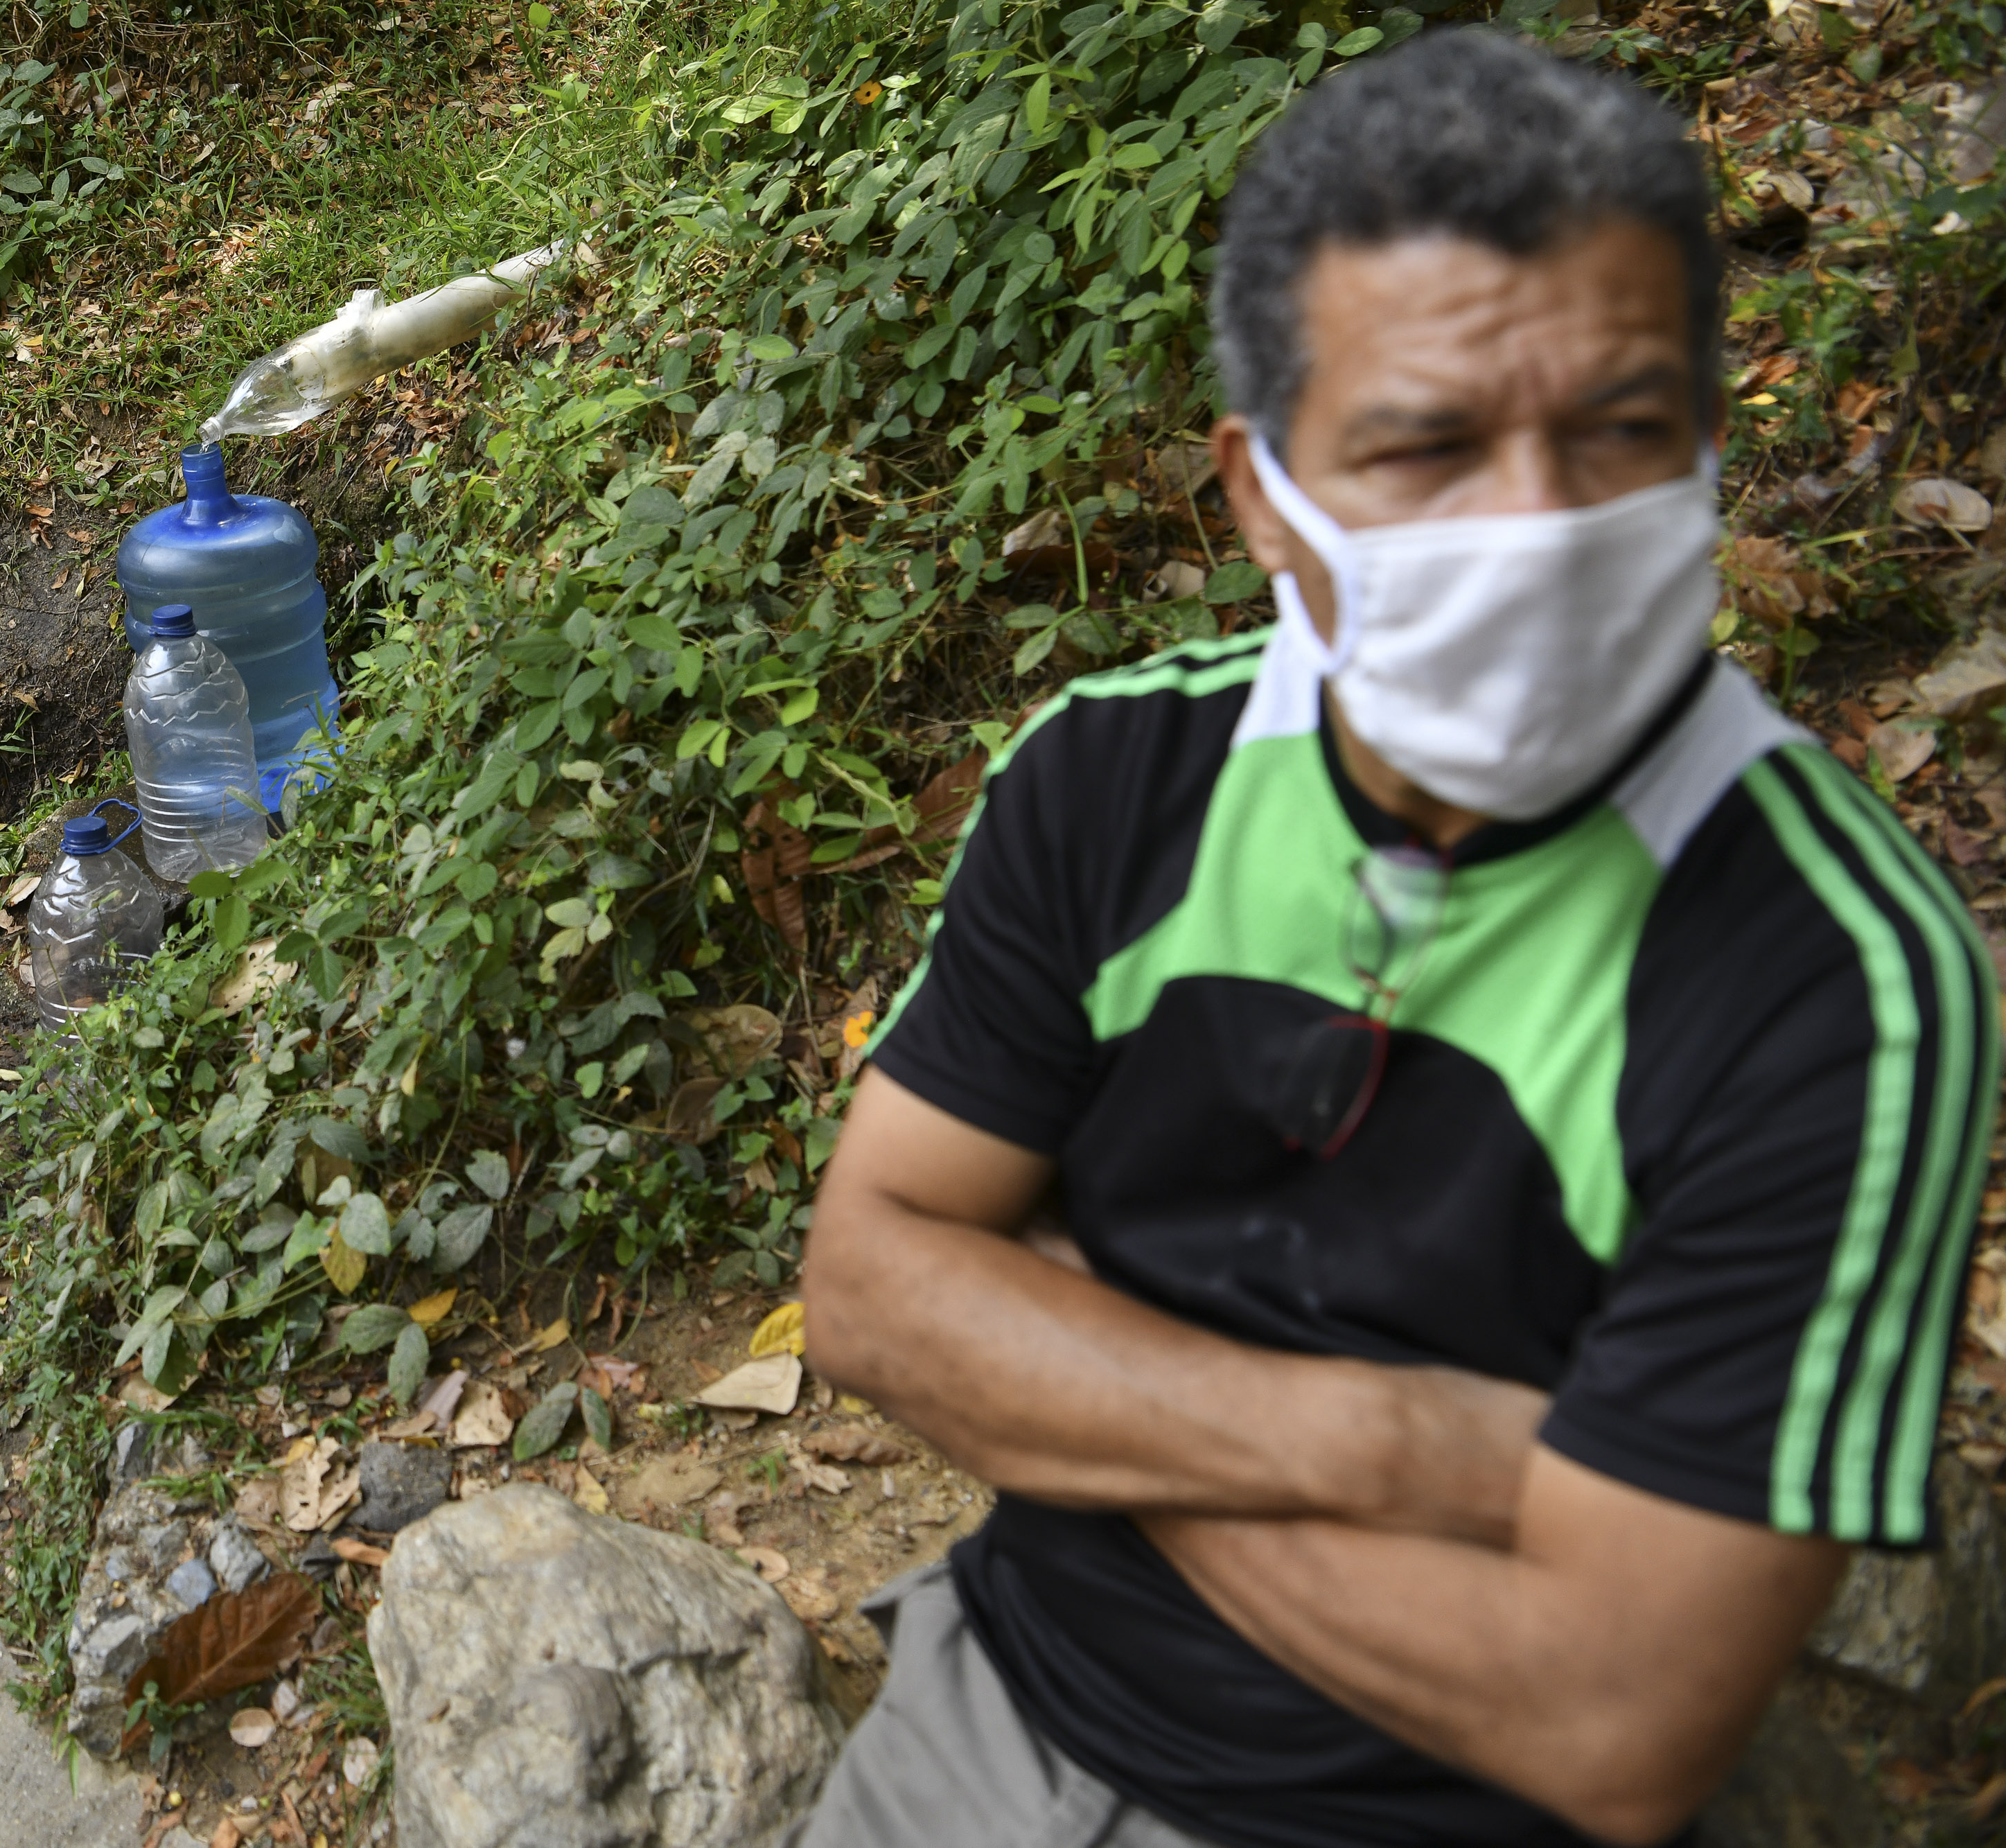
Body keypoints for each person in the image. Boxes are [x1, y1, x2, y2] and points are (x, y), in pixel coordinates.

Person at [797, 28, 1998, 1848]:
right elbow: (877, 1284)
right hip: (988, 1724)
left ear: (1707, 434)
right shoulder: (1120, 777)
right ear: (1263, 492)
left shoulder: (1834, 979)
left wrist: (1078, 1362)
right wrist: (1401, 1442)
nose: (1539, 526)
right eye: (1428, 445)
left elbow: (1612, 1719)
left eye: (1617, 428)